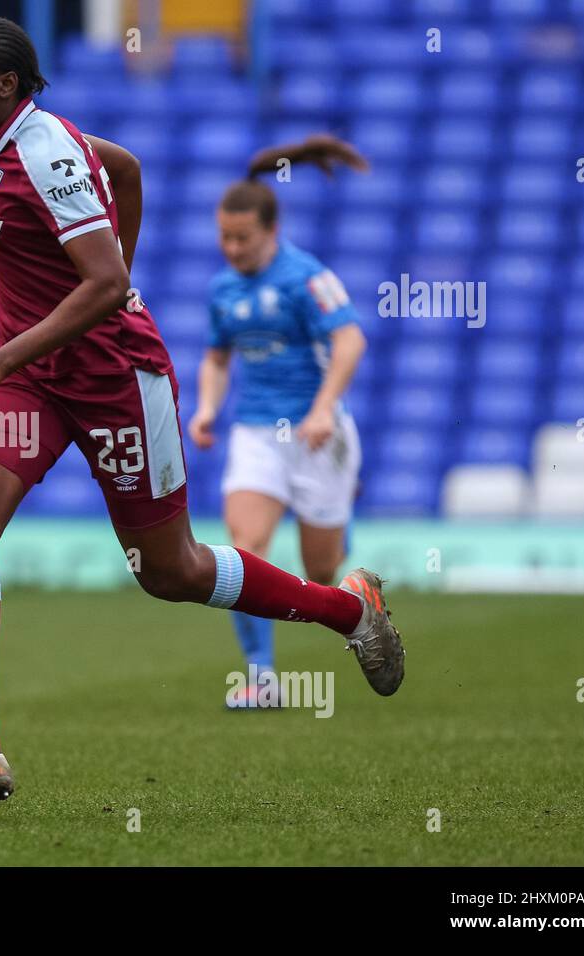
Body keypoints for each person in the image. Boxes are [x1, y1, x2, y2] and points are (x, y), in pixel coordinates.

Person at [0, 18, 403, 805]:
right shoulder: (13, 145)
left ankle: (348, 610)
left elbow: (101, 283)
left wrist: (24, 340)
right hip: (32, 379)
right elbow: (128, 169)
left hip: (113, 377)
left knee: (170, 571)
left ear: (6, 84)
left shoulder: (45, 151)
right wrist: (27, 352)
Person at [189, 136, 371, 710]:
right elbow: (218, 357)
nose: (232, 247)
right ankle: (261, 676)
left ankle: (349, 561)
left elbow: (350, 339)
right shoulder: (221, 289)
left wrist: (323, 408)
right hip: (255, 431)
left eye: (242, 237)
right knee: (247, 549)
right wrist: (207, 407)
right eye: (224, 237)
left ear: (271, 230)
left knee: (321, 570)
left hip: (318, 433)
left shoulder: (306, 277)